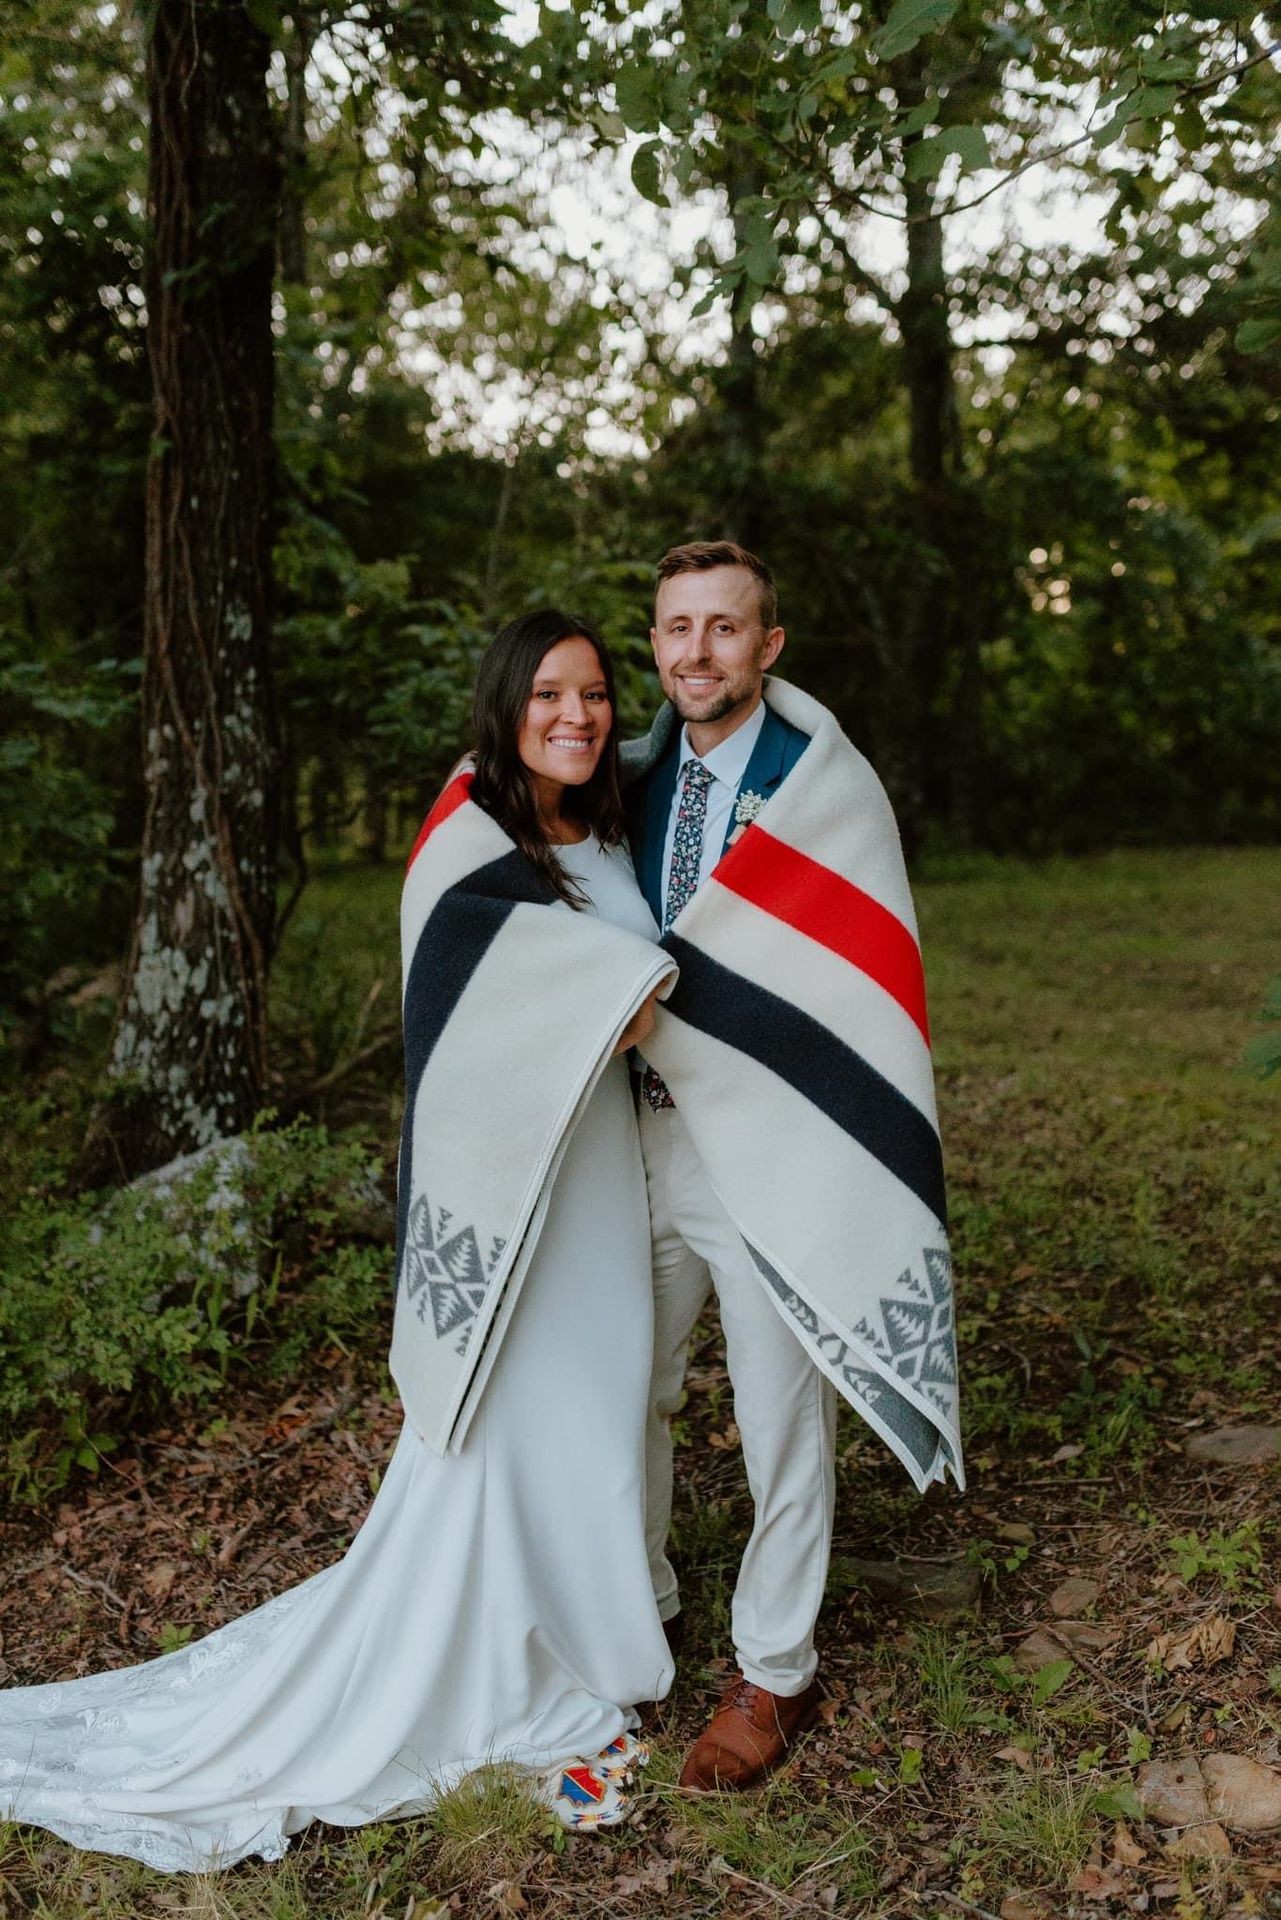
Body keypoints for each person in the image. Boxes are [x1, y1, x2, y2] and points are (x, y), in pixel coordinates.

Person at [0, 611, 676, 1871]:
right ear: (504, 706)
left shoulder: (612, 828)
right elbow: (582, 1010)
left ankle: (585, 1630)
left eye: (592, 695)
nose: (575, 717)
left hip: (602, 1181)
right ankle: (504, 1658)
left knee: (594, 1414)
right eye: (548, 696)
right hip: (517, 1201)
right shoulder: (472, 846)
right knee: (511, 1428)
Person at [622, 541, 964, 1792]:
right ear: (653, 645)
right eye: (675, 629)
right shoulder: (630, 780)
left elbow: (847, 980)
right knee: (624, 1386)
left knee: (779, 1412)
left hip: (765, 1143)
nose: (696, 652)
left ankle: (774, 1668)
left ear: (768, 647)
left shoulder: (824, 788)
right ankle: (635, 1611)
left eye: (724, 628)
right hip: (630, 1138)